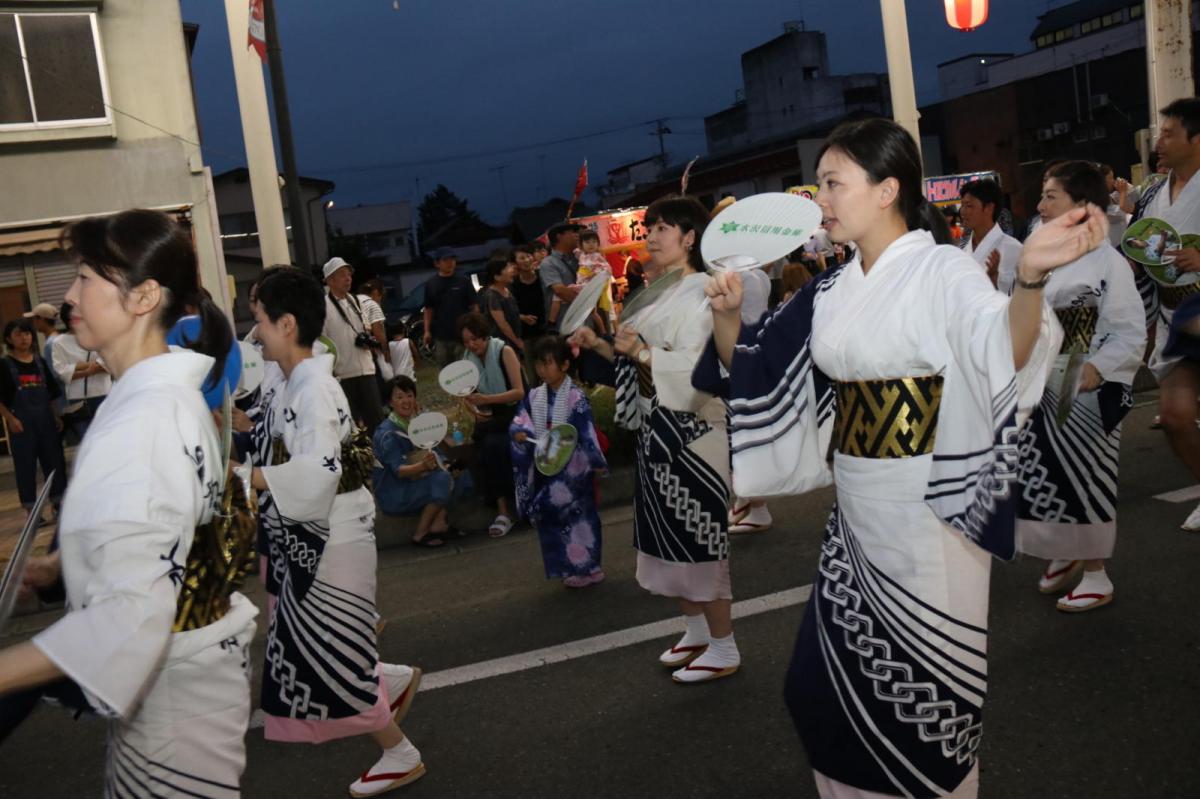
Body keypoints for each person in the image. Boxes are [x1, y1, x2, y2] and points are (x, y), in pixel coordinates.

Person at [696, 117, 1106, 797]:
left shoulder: (943, 269)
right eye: (820, 182)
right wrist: (727, 315)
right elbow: (761, 364)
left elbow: (1000, 347)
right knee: (817, 689)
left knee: (918, 700)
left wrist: (1028, 280)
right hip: (857, 518)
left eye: (833, 182)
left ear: (887, 189)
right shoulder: (832, 287)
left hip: (928, 512)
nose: (820, 198)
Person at [0, 209, 258, 793]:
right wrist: (66, 566)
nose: (69, 295)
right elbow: (161, 527)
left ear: (143, 296)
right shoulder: (158, 397)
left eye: (86, 277)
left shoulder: (147, 418)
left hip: (175, 704)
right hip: (181, 689)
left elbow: (133, 616)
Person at [236, 267, 426, 796]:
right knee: (322, 649)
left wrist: (243, 477)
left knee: (331, 659)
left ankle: (399, 751)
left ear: (288, 323)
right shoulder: (298, 378)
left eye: (259, 320)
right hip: (320, 532)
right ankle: (388, 681)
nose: (254, 332)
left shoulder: (314, 388)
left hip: (330, 534)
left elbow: (317, 474)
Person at [570, 196, 738, 685]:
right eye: (650, 227)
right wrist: (600, 345)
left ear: (690, 238)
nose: (652, 235)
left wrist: (642, 354)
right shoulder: (658, 291)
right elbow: (635, 358)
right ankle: (695, 630)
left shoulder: (708, 290)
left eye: (663, 227)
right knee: (666, 541)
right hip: (657, 427)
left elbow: (705, 369)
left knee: (700, 541)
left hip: (694, 430)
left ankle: (724, 645)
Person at [1014, 161, 1146, 611]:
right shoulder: (1041, 253)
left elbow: (1129, 331)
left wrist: (1100, 368)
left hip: (1085, 383)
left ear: (1082, 205)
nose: (1040, 204)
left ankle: (1096, 572)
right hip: (1038, 379)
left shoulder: (1108, 261)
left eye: (1051, 196)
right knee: (1040, 472)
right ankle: (1064, 550)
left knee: (1086, 474)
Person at [1132, 99, 1200, 531]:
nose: (1158, 142)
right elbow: (1143, 243)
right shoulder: (1155, 192)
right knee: (1175, 417)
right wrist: (1140, 256)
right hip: (1175, 315)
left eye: (1169, 133)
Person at [510, 336, 608, 587]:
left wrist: (591, 461)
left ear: (565, 365)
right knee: (554, 519)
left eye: (548, 364)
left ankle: (590, 567)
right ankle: (569, 567)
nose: (542, 370)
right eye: (539, 365)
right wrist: (520, 434)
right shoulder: (534, 396)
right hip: (548, 466)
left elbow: (585, 433)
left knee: (579, 520)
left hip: (574, 469)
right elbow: (522, 422)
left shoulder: (576, 397)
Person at [373, 375, 472, 547]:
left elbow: (436, 452)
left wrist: (447, 465)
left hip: (419, 479)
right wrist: (423, 466)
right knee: (442, 479)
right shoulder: (387, 434)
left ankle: (439, 524)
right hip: (395, 491)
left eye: (410, 395)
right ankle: (420, 533)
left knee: (461, 474)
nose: (406, 401)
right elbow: (399, 470)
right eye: (399, 397)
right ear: (390, 403)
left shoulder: (417, 424)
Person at [459, 311, 525, 538]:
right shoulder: (468, 360)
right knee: (486, 443)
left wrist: (487, 400)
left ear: (484, 335)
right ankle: (502, 509)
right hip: (491, 417)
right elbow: (469, 397)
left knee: (491, 441)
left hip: (516, 412)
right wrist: (475, 408)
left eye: (474, 339)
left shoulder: (503, 351)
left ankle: (510, 507)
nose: (471, 344)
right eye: (466, 341)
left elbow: (519, 391)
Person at [0, 318, 66, 525]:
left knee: (54, 463)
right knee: (25, 467)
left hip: (46, 421)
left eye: (27, 333)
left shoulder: (40, 362)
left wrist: (55, 415)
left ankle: (59, 505)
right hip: (21, 424)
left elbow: (52, 393)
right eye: (18, 334)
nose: (24, 338)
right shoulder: (4, 365)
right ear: (9, 339)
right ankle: (32, 512)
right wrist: (10, 419)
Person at [322, 256, 384, 432]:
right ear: (330, 280)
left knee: (376, 421)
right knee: (352, 426)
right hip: (343, 375)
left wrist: (367, 339)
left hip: (366, 369)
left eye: (348, 274)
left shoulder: (356, 301)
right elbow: (323, 343)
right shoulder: (323, 306)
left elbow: (366, 329)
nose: (348, 278)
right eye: (342, 275)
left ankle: (382, 456)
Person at [51, 301, 111, 444]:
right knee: (87, 441)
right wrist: (91, 369)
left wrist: (77, 368)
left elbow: (110, 362)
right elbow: (61, 372)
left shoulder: (99, 335)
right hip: (77, 399)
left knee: (107, 438)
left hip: (103, 393)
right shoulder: (59, 342)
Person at [959, 178, 1023, 290]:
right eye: (962, 205)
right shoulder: (962, 249)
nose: (962, 211)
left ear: (989, 208)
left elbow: (1023, 295)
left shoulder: (1014, 249)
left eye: (969, 206)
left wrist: (995, 279)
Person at [422, 247, 477, 367]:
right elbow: (428, 309)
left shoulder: (464, 281)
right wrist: (426, 331)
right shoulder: (431, 284)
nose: (450, 263)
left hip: (462, 334)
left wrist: (475, 326)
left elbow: (474, 306)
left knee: (465, 367)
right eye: (446, 260)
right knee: (445, 369)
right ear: (437, 263)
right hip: (441, 335)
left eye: (452, 259)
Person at [511, 244, 547, 371]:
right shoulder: (512, 283)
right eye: (522, 258)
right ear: (515, 263)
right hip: (526, 334)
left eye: (528, 256)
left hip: (546, 329)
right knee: (532, 371)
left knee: (549, 366)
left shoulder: (543, 276)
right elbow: (510, 310)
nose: (526, 260)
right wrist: (522, 317)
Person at [480, 256, 524, 355]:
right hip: (502, 343)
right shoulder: (492, 295)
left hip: (512, 339)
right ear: (497, 277)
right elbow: (502, 324)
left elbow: (509, 313)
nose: (512, 270)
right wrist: (517, 342)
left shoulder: (506, 289)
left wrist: (523, 318)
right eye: (507, 268)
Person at [540, 223, 581, 331]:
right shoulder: (548, 263)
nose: (577, 235)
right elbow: (559, 290)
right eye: (573, 232)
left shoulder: (579, 258)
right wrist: (585, 303)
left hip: (585, 321)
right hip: (565, 324)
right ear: (559, 236)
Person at [575, 230, 614, 334]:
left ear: (598, 243)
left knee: (594, 312)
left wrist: (595, 274)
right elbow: (577, 251)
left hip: (593, 286)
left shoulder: (598, 256)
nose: (591, 245)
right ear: (581, 245)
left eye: (594, 242)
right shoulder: (581, 254)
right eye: (587, 242)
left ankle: (603, 333)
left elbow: (608, 269)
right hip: (582, 284)